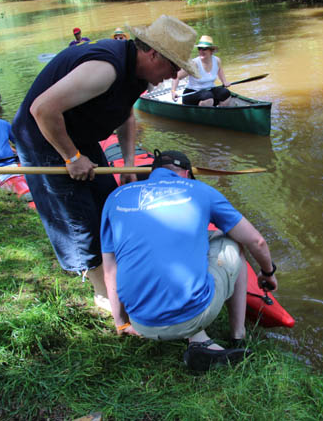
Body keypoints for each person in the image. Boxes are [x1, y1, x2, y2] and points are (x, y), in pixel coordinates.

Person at [11, 15, 199, 314]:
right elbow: (42, 110)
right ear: (153, 54)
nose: (174, 74)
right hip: (42, 135)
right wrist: (71, 157)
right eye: (173, 65)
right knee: (78, 213)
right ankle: (101, 293)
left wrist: (126, 165)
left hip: (76, 133)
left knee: (107, 201)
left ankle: (116, 271)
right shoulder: (104, 69)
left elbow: (125, 116)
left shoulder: (138, 73)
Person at [100, 150, 279, 371]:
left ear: (152, 172)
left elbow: (109, 269)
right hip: (192, 315)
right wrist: (268, 272)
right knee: (235, 241)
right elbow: (257, 242)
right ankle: (238, 336)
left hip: (141, 323)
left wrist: (121, 323)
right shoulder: (201, 190)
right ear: (186, 174)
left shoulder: (115, 197)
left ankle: (200, 343)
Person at [171, 35, 232, 107]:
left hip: (209, 90)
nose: (201, 51)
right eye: (199, 48)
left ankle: (221, 114)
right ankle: (204, 115)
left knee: (226, 93)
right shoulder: (194, 64)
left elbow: (219, 70)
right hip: (192, 93)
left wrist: (224, 81)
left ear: (211, 51)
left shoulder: (217, 60)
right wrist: (173, 91)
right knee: (208, 97)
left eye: (204, 49)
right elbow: (177, 76)